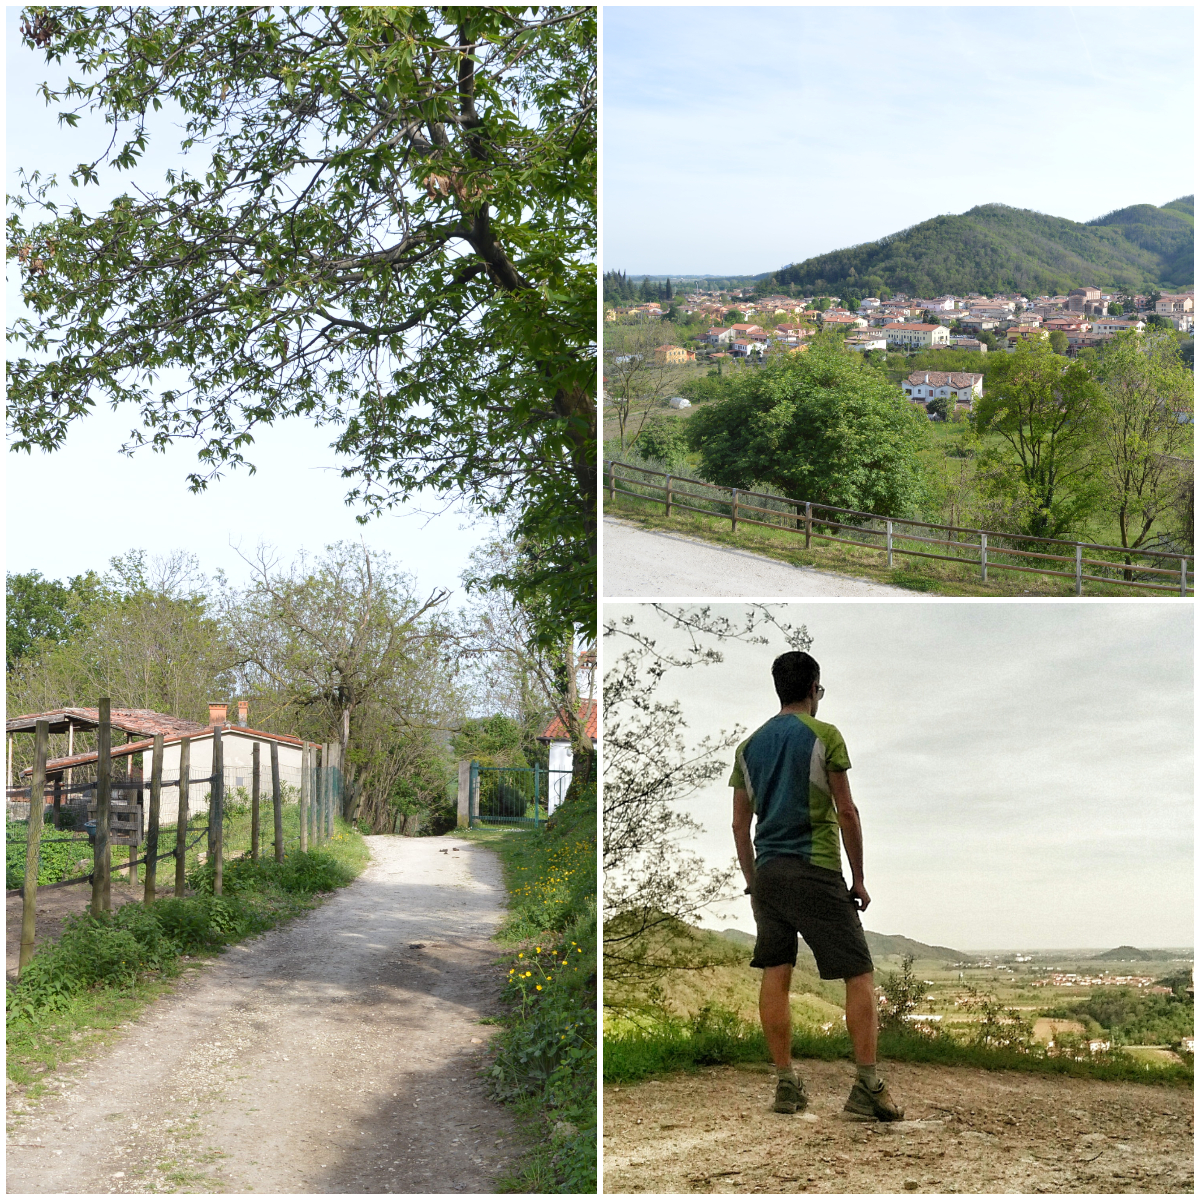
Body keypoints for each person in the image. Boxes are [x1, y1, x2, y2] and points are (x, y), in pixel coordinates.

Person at [730, 650, 904, 1121]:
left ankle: (787, 1084)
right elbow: (846, 811)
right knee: (859, 974)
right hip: (815, 868)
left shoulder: (748, 747)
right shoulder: (825, 735)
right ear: (813, 689)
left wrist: (753, 883)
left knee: (776, 972)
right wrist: (859, 878)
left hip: (768, 875)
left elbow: (739, 826)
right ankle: (867, 1086)